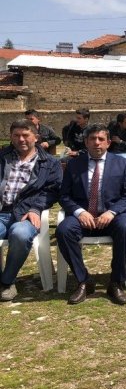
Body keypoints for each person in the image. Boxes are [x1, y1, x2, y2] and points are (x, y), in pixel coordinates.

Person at [56, 124, 126, 305]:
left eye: (101, 139)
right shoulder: (74, 164)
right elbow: (64, 195)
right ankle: (84, 281)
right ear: (86, 142)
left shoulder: (122, 163)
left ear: (108, 142)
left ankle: (116, 282)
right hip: (84, 217)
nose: (97, 143)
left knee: (124, 228)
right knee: (63, 231)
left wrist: (112, 212)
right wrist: (80, 212)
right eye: (92, 139)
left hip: (112, 216)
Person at [0, 120, 62, 301]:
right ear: (11, 137)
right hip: (2, 212)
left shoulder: (50, 163)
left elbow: (53, 191)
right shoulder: (2, 157)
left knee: (20, 235)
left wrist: (36, 208)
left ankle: (6, 281)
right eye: (16, 135)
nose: (21, 139)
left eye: (25, 135)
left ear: (36, 137)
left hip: (26, 214)